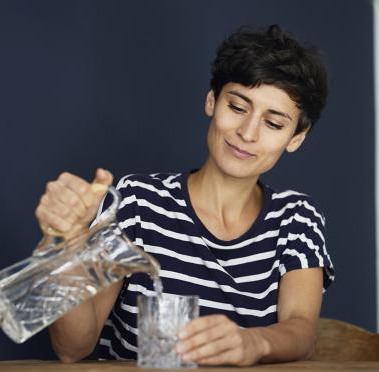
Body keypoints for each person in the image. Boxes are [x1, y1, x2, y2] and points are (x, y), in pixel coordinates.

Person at [35, 24, 334, 366]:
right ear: (212, 100)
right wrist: (65, 246)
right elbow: (73, 348)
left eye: (274, 123)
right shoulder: (137, 202)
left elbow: (302, 332)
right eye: (237, 107)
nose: (247, 133)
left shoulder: (297, 219)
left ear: (296, 137)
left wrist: (252, 342)